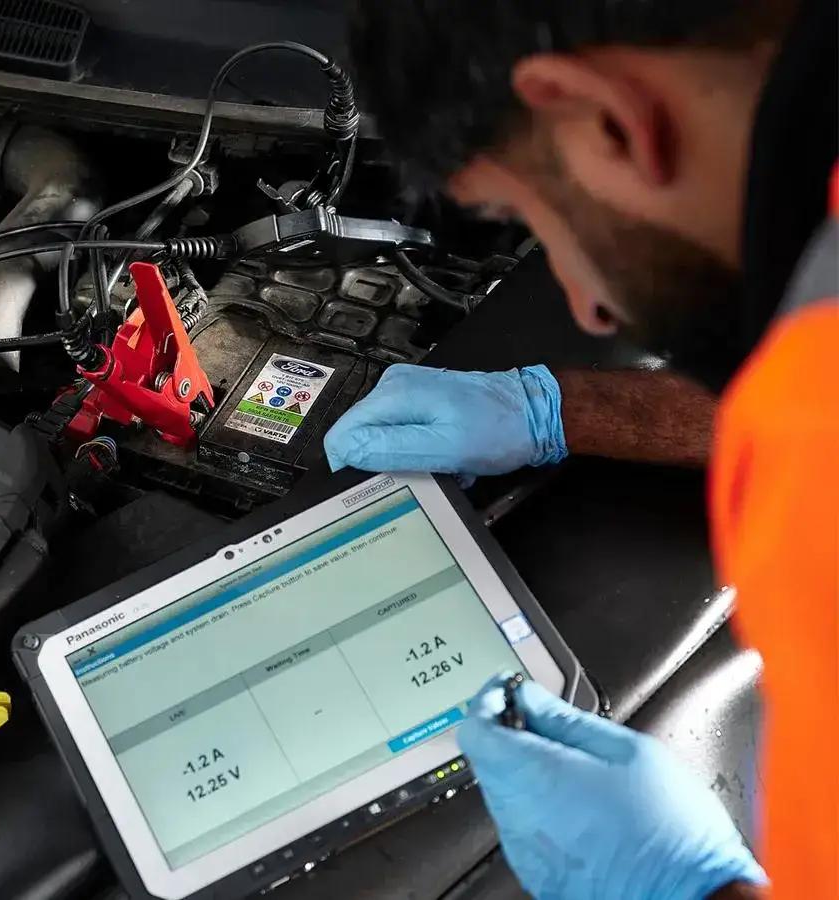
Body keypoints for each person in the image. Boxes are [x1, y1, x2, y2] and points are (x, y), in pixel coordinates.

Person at [328, 2, 838, 898]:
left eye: (534, 214)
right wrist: (562, 408)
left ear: (603, 120)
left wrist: (686, 888)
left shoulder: (809, 457)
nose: (588, 305)